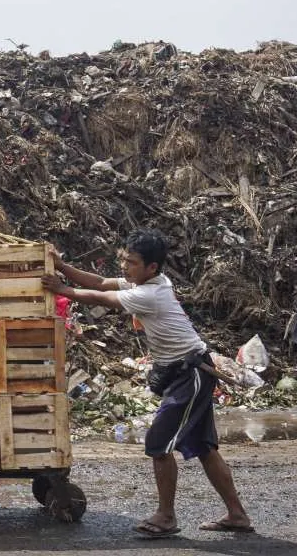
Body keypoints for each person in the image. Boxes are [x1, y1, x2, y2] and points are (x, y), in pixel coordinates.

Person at [41, 229, 253, 538]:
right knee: (205, 448)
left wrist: (63, 289)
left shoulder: (149, 294)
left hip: (190, 374)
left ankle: (166, 516)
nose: (125, 267)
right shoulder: (152, 281)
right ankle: (237, 515)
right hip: (185, 372)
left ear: (152, 268)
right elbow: (100, 282)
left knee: (157, 443)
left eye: (133, 262)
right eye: (124, 259)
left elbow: (103, 297)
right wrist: (62, 268)